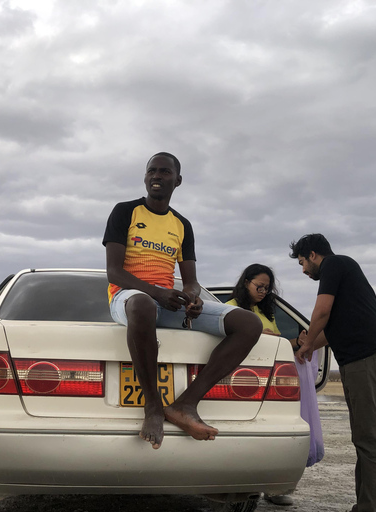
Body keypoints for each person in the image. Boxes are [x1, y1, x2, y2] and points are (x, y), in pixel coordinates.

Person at [103, 152, 263, 450]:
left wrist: (192, 297)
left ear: (177, 180)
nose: (156, 176)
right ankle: (153, 405)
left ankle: (185, 404)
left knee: (248, 323)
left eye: (164, 172)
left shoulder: (182, 225)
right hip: (128, 301)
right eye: (152, 171)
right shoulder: (126, 211)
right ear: (145, 176)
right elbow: (114, 272)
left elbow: (190, 280)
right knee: (143, 305)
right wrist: (156, 292)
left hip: (165, 303)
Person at [290, 234, 376, 512]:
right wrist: (307, 343)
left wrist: (308, 342)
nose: (303, 270)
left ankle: (371, 508)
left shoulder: (335, 265)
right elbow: (329, 329)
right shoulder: (342, 274)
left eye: (302, 263)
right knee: (363, 436)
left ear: (313, 255)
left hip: (366, 360)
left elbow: (321, 313)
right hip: (355, 362)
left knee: (369, 437)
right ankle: (365, 505)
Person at [226, 263, 324, 507]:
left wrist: (296, 342)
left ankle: (274, 488)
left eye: (267, 289)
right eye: (259, 286)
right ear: (245, 282)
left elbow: (277, 346)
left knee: (274, 438)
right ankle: (237, 490)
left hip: (272, 384)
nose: (263, 292)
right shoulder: (229, 308)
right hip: (242, 383)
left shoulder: (267, 313)